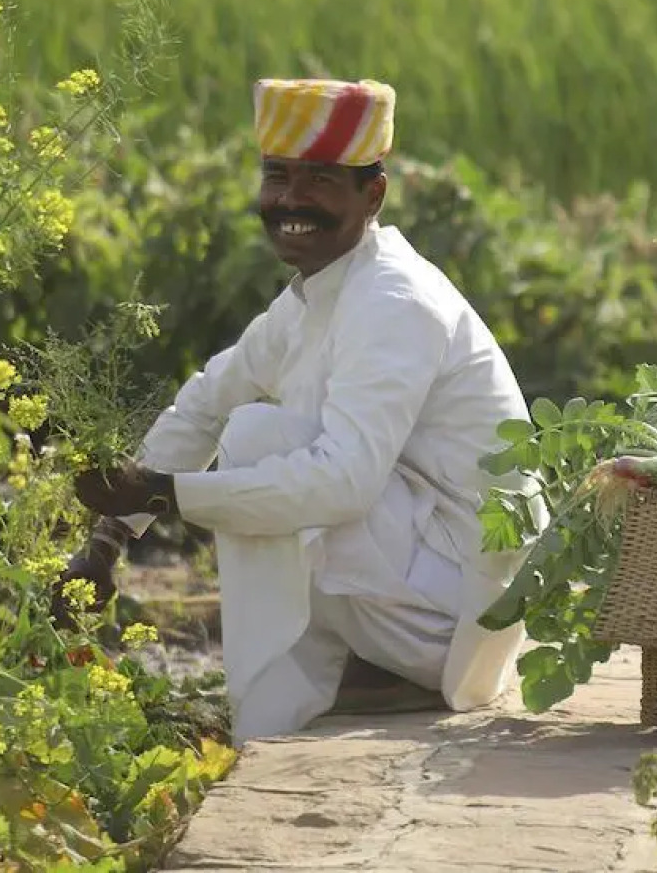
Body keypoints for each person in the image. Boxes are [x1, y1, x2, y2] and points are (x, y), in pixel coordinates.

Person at [54, 77, 545, 745]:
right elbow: (206, 398)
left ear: (372, 195)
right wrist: (106, 544)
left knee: (260, 440)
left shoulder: (392, 302)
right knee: (249, 428)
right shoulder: (321, 292)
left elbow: (344, 484)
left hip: (454, 617)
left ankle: (284, 701)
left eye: (319, 182)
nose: (290, 200)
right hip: (418, 584)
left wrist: (168, 494)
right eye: (277, 177)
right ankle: (338, 677)